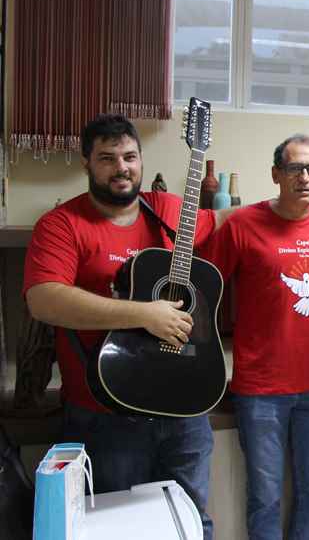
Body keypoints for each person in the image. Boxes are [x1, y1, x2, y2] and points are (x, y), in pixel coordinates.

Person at [23, 114, 232, 540]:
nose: (122, 167)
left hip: (185, 405)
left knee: (191, 522)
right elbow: (43, 298)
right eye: (107, 158)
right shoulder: (62, 224)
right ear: (86, 163)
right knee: (117, 527)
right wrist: (143, 314)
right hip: (107, 409)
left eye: (130, 157)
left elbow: (233, 222)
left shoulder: (172, 211)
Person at [200, 134, 309, 540]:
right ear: (276, 174)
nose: (304, 177)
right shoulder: (243, 223)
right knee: (265, 498)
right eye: (295, 168)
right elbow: (204, 290)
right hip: (260, 390)